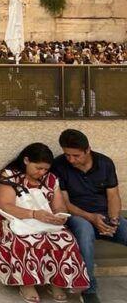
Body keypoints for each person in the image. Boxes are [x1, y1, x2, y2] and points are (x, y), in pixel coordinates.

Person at [0, 142, 89, 302]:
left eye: (45, 169)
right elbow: (5, 205)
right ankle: (27, 284)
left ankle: (57, 281)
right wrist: (33, 214)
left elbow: (59, 205)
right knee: (25, 240)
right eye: (38, 168)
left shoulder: (51, 179)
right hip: (14, 220)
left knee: (65, 240)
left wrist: (60, 215)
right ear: (26, 161)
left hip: (44, 220)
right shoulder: (9, 175)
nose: (42, 172)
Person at [51, 129, 127, 303]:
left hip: (104, 214)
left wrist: (113, 220)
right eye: (67, 155)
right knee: (85, 234)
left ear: (88, 150)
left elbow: (113, 196)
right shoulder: (59, 165)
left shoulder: (105, 163)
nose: (71, 160)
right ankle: (89, 290)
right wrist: (91, 218)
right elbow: (64, 203)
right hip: (76, 215)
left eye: (76, 155)